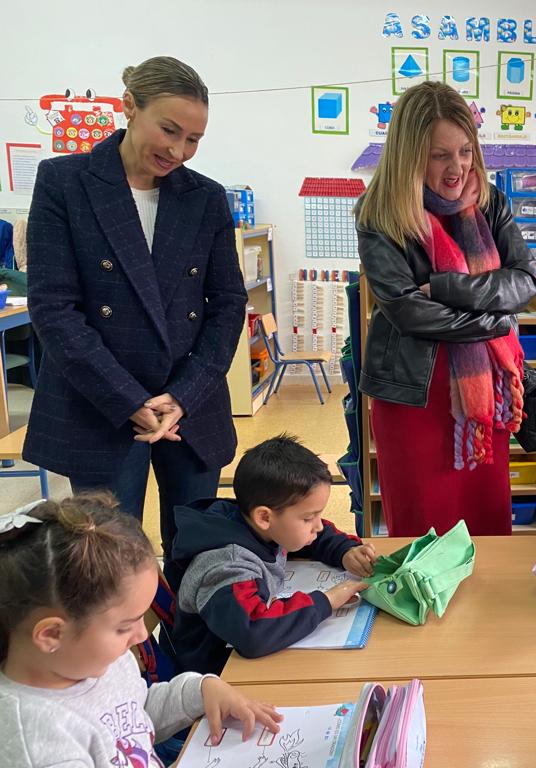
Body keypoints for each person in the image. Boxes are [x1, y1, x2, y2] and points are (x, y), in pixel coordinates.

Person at [24, 56, 247, 557]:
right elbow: (54, 309)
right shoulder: (65, 182)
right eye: (169, 129)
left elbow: (228, 304)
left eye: (193, 140)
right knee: (108, 558)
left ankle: (188, 637)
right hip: (100, 400)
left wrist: (183, 396)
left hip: (189, 401)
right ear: (129, 106)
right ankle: (124, 640)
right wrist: (129, 401)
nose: (178, 150)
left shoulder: (205, 198)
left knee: (197, 550)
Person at [356, 81, 536, 537]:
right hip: (415, 395)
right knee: (423, 523)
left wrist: (445, 286)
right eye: (440, 155)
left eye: (464, 151)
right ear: (409, 154)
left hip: (484, 391)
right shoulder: (379, 213)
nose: (457, 167)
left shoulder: (491, 202)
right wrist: (494, 321)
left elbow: (525, 280)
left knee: (486, 519)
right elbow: (405, 310)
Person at [0, 493, 281, 767]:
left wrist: (202, 690)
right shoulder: (36, 745)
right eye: (125, 627)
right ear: (51, 635)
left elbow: (136, 711)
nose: (142, 635)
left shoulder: (99, 662)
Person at [164, 434, 373, 674]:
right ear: (264, 517)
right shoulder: (227, 565)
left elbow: (311, 537)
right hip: (216, 674)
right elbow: (253, 631)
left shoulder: (262, 524)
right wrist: (326, 601)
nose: (317, 526)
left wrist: (344, 551)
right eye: (308, 518)